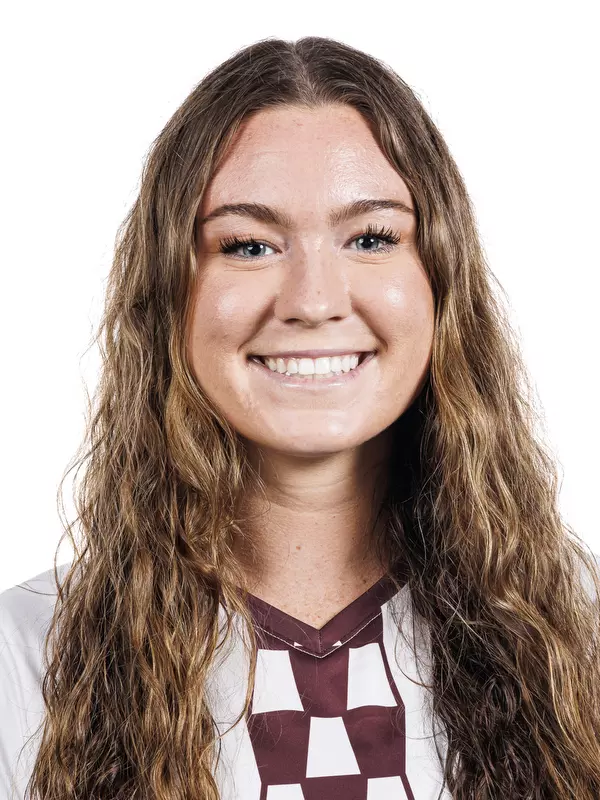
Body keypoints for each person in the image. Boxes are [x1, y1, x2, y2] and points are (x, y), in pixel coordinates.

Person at [1, 36, 600, 800]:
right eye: (249, 244)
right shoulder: (25, 657)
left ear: (441, 283)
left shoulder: (576, 636)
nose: (314, 300)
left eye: (372, 238)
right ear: (168, 294)